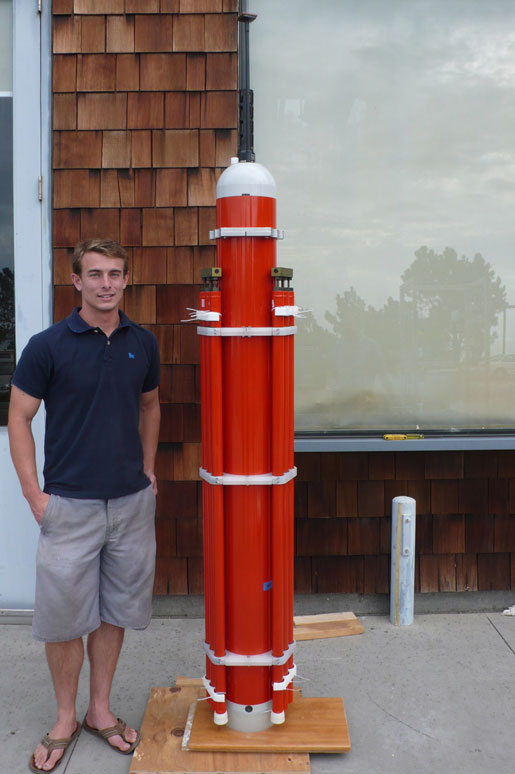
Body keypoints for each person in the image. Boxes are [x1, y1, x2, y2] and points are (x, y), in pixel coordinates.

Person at [8, 238, 161, 773]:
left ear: (125, 280)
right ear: (76, 281)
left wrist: (147, 471)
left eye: (115, 274)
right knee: (65, 619)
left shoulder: (143, 342)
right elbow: (19, 418)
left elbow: (150, 403)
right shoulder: (48, 346)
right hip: (68, 507)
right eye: (94, 274)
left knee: (115, 611)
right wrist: (34, 495)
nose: (105, 283)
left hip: (130, 504)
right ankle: (64, 718)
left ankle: (100, 710)